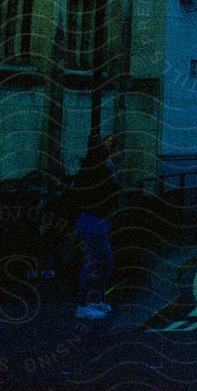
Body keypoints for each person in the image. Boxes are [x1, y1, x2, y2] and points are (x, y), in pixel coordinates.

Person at [69, 135, 119, 319]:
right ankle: (83, 306)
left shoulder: (95, 168)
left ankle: (95, 300)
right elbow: (112, 191)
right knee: (92, 263)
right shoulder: (99, 170)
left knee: (105, 261)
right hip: (93, 221)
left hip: (96, 221)